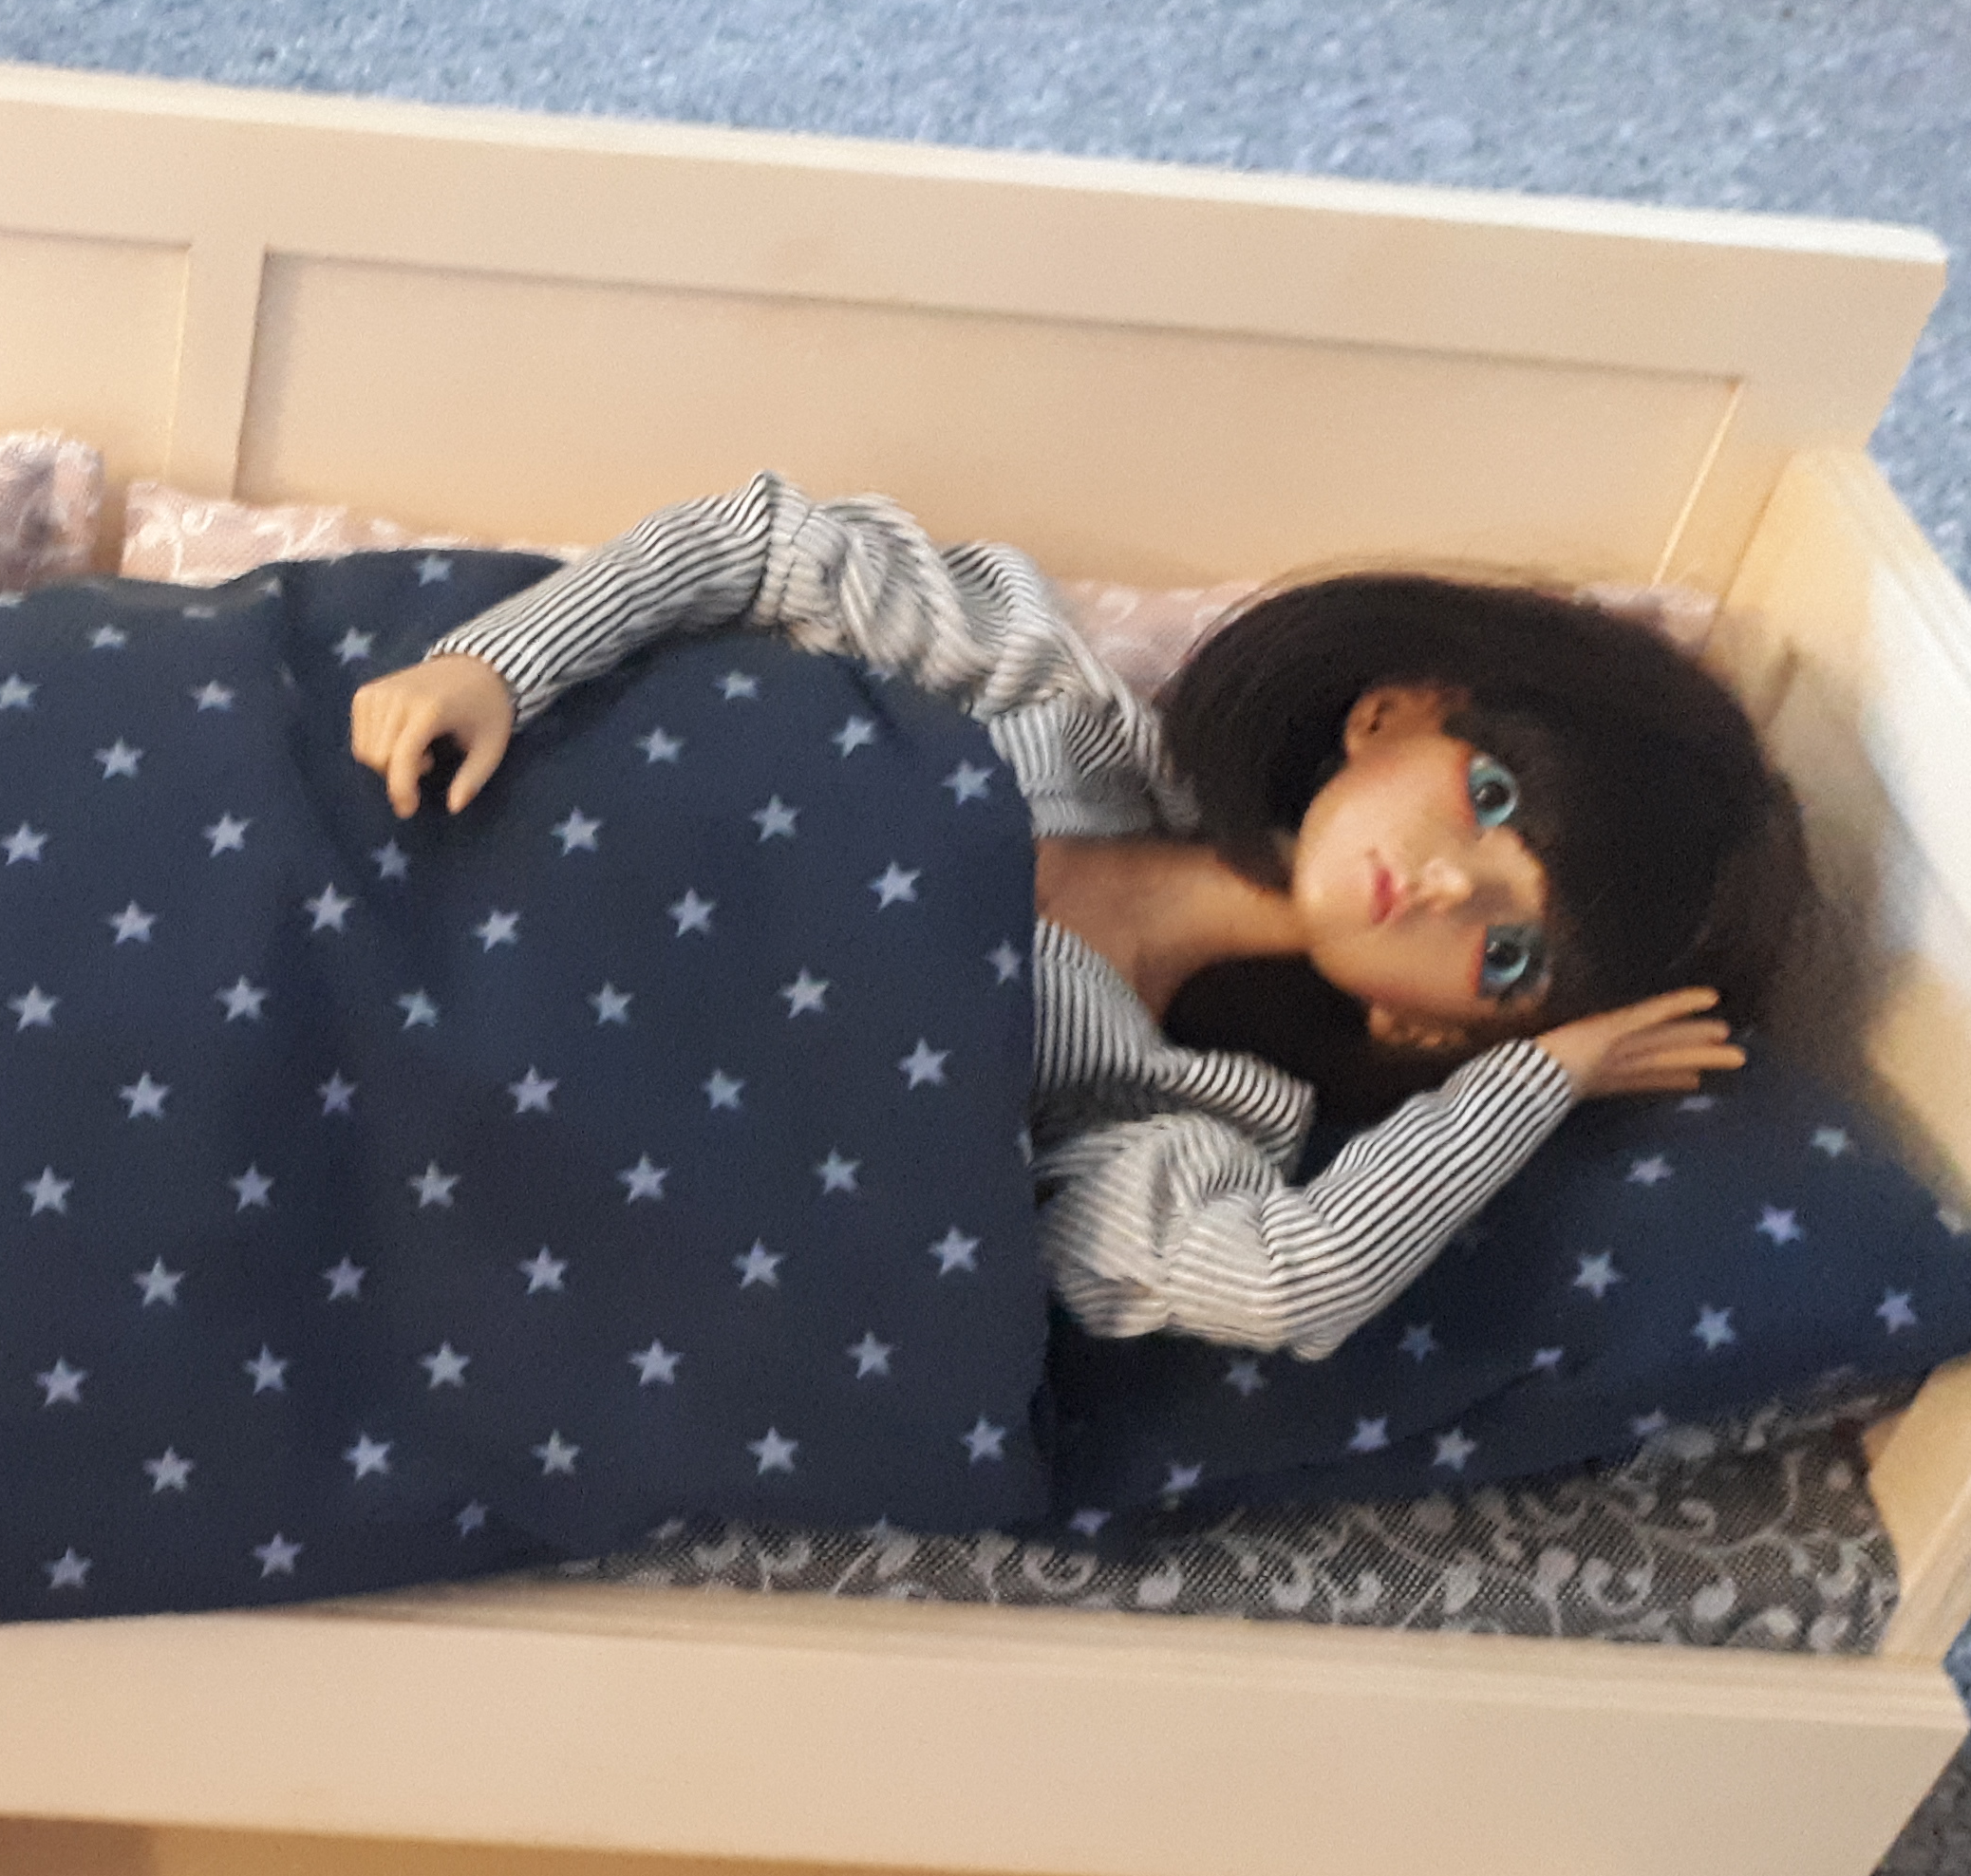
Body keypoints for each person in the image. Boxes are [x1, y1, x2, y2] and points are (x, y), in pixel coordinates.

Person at [346, 473, 1811, 1358]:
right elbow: (773, 542)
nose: (1441, 884)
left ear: (1430, 1025)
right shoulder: (1050, 701)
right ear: (1395, 715)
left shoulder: (1159, 1112)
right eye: (1487, 803)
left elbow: (1292, 1284)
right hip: (435, 851)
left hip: (462, 1129)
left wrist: (1539, 1080)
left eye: (1505, 950)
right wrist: (501, 663)